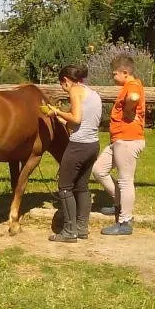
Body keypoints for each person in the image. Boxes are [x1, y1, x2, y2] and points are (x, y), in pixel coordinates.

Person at [45, 65, 102, 243]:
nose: (63, 88)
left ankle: (69, 231)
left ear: (66, 80)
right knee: (82, 187)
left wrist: (56, 111)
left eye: (62, 85)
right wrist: (60, 118)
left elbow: (76, 118)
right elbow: (80, 121)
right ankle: (82, 228)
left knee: (64, 187)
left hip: (78, 146)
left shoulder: (75, 91)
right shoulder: (92, 93)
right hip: (93, 145)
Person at [92, 55, 146, 235]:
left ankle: (125, 221)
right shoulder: (126, 86)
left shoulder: (132, 85)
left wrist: (130, 106)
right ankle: (119, 203)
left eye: (114, 74)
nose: (113, 77)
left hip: (128, 140)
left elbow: (134, 96)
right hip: (118, 140)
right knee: (99, 169)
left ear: (125, 73)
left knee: (125, 180)